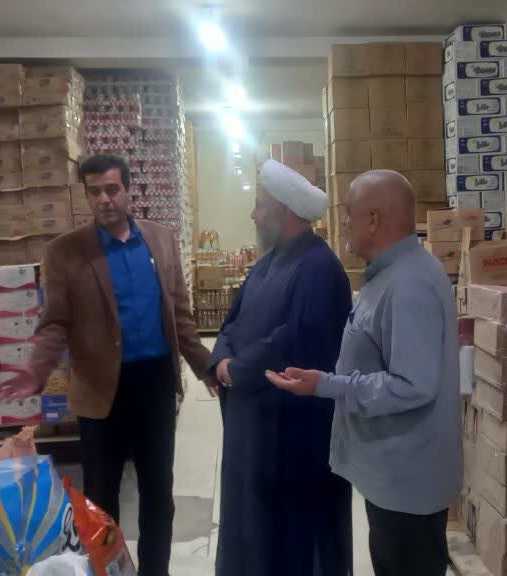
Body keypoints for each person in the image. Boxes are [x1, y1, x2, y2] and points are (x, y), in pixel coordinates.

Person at [19, 154, 213, 576]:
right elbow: (55, 322)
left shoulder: (160, 239)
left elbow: (179, 312)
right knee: (101, 498)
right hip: (100, 390)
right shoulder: (65, 252)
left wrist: (205, 364)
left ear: (128, 190)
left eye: (112, 189)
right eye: (94, 192)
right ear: (86, 195)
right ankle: (107, 570)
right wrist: (37, 370)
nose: (104, 199)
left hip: (154, 386)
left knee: (158, 491)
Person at [266, 170, 461, 576]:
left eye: (349, 213)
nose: (343, 224)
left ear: (373, 219)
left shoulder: (408, 285)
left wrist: (328, 385)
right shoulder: (389, 275)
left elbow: (413, 385)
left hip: (407, 486)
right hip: (393, 481)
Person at [208, 160, 353, 576]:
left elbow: (293, 340)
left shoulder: (319, 268)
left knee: (292, 538)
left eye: (260, 205)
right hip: (254, 428)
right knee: (251, 529)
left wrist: (237, 370)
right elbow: (232, 321)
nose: (253, 215)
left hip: (292, 434)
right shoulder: (266, 263)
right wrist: (220, 358)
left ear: (284, 210)